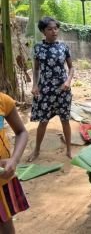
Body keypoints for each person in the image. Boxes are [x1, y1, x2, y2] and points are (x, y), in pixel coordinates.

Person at [29, 17, 74, 162]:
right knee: (43, 121)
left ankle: (68, 149)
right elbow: (36, 69)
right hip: (45, 90)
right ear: (43, 31)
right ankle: (36, 150)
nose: (54, 31)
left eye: (56, 28)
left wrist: (68, 81)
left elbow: (71, 67)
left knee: (65, 120)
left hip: (63, 89)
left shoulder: (63, 47)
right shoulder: (38, 48)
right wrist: (35, 85)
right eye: (50, 29)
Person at [0, 92, 29, 233]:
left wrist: (14, 159)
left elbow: (21, 132)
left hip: (2, 179)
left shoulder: (3, 101)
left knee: (5, 221)